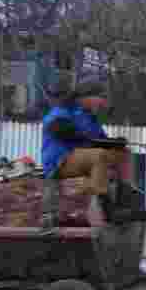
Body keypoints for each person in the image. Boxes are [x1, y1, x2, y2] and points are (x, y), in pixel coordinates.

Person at [39, 81, 133, 233]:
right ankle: (107, 208)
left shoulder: (89, 116)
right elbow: (54, 126)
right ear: (87, 97)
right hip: (61, 160)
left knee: (122, 154)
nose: (103, 102)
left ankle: (123, 201)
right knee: (100, 156)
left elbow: (98, 140)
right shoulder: (65, 109)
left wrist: (114, 143)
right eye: (101, 97)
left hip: (82, 158)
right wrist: (74, 133)